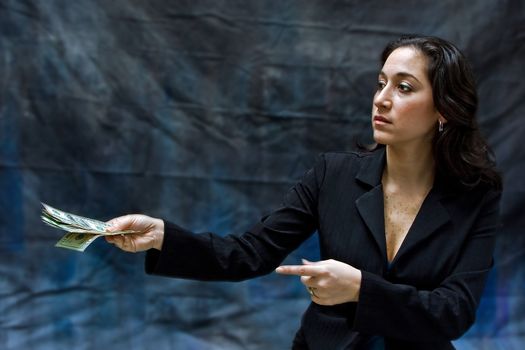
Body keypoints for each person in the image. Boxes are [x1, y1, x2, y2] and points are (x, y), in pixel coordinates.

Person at [105, 35, 502, 349]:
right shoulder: (333, 174)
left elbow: (455, 311)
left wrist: (361, 290)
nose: (381, 99)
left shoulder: (475, 195)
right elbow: (248, 254)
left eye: (404, 87)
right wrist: (161, 237)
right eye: (381, 83)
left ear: (443, 110)